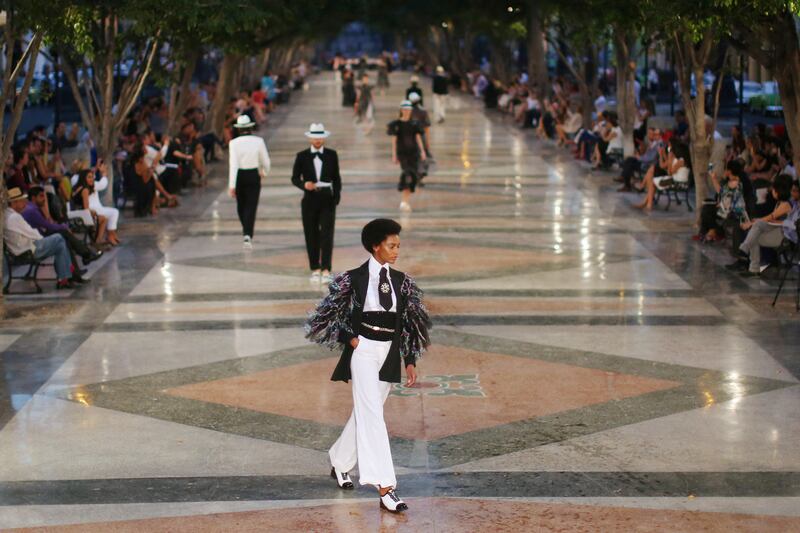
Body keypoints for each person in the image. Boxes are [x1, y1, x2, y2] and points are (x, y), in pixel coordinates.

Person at [305, 218, 431, 514]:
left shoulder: (402, 282)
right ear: (376, 246)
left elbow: (411, 325)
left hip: (389, 353)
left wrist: (409, 360)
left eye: (398, 245)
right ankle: (386, 487)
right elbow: (323, 318)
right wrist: (351, 339)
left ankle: (339, 460)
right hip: (363, 351)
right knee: (373, 415)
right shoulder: (353, 279)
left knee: (366, 411)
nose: (397, 250)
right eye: (391, 245)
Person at [291, 123, 341, 284]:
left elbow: (337, 178)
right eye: (315, 137)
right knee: (310, 233)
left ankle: (326, 268)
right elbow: (294, 178)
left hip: (327, 198)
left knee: (327, 234)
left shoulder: (332, 155)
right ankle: (315, 268)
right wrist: (304, 185)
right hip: (309, 199)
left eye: (320, 137)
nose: (318, 140)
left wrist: (336, 197)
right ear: (310, 138)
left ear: (324, 138)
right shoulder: (302, 156)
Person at [22, 186, 102, 279]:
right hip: (36, 241)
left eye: (44, 196)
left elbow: (47, 225)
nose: (44, 199)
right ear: (33, 198)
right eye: (41, 196)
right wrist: (64, 226)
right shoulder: (32, 210)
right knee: (63, 233)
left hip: (38, 237)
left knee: (64, 237)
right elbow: (48, 225)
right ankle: (85, 255)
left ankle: (78, 267)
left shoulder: (32, 208)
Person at [4, 188, 76, 290]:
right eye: (22, 200)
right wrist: (42, 238)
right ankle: (67, 274)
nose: (25, 203)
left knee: (60, 244)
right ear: (14, 203)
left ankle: (64, 277)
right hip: (26, 251)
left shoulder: (7, 215)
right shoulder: (15, 217)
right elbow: (33, 234)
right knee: (59, 238)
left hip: (20, 249)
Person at [738, 174, 794, 276]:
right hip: (777, 232)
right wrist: (755, 222)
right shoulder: (780, 203)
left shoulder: (786, 204)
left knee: (755, 230)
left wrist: (753, 222)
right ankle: (753, 267)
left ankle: (745, 249)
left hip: (783, 236)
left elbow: (771, 217)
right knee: (755, 231)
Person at [228, 115, 270, 249]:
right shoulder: (258, 141)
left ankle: (246, 232)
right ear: (251, 127)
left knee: (241, 205)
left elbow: (233, 165)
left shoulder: (233, 143)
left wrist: (232, 185)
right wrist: (264, 172)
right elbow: (266, 161)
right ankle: (247, 232)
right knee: (251, 205)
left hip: (240, 175)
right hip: (253, 175)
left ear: (239, 129)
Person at [387, 101, 427, 212]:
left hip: (414, 153)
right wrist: (394, 155)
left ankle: (406, 200)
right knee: (407, 174)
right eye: (405, 109)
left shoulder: (415, 124)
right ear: (401, 110)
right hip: (402, 154)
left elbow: (418, 138)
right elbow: (394, 141)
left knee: (413, 175)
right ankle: (404, 201)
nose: (407, 112)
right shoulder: (396, 125)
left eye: (408, 110)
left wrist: (422, 151)